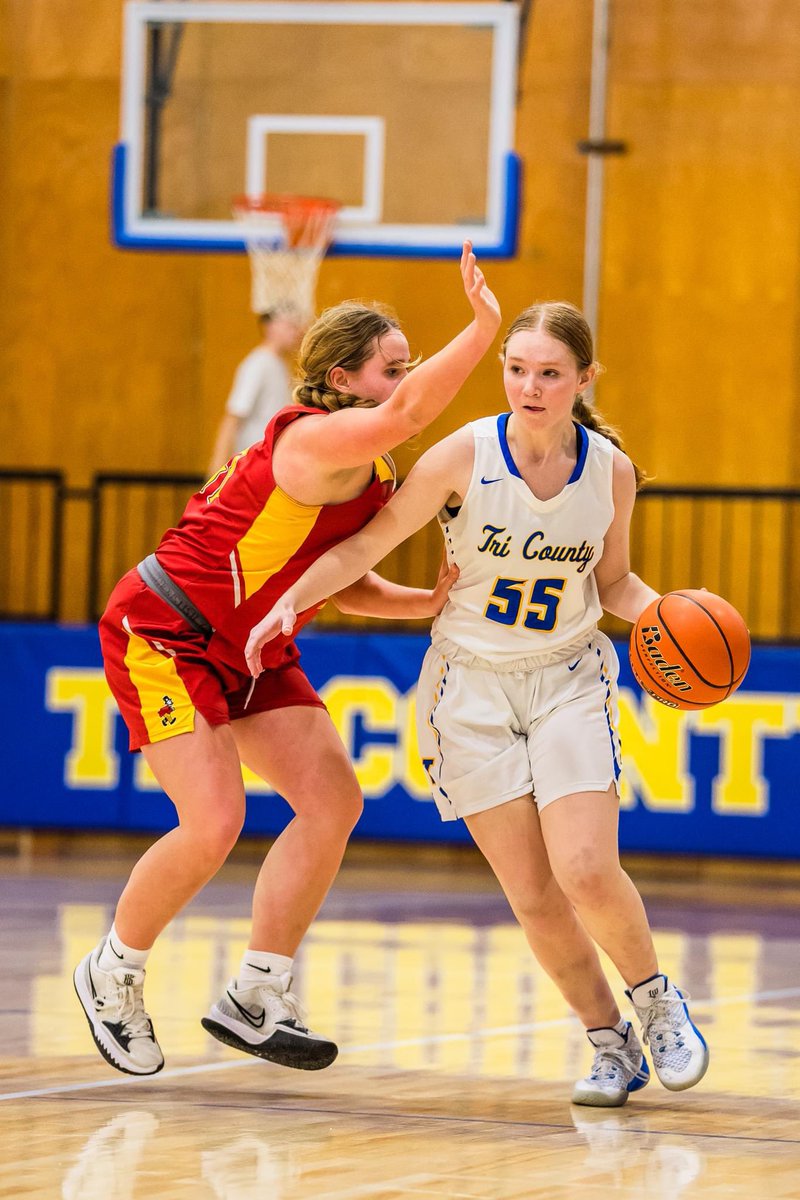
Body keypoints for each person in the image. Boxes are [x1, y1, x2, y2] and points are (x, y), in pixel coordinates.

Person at [245, 301, 710, 1108]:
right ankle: (610, 1044)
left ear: (583, 379)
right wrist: (293, 598)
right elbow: (366, 544)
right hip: (468, 690)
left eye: (550, 372)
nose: (530, 385)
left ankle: (657, 1001)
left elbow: (614, 584)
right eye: (517, 368)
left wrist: (674, 618)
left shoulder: (610, 471)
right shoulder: (465, 456)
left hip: (566, 676)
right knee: (532, 894)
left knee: (586, 870)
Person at [73, 242, 501, 1077]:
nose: (403, 381)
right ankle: (113, 968)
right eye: (390, 368)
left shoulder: (364, 467)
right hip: (166, 627)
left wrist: (422, 602)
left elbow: (336, 581)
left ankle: (258, 992)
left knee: (333, 799)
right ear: (341, 380)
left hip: (252, 645)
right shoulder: (310, 441)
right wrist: (483, 326)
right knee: (214, 821)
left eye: (406, 366)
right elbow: (412, 413)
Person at [207, 310, 305, 476]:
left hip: (271, 465)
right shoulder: (258, 364)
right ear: (270, 326)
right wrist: (216, 469)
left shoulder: (280, 365)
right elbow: (233, 417)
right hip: (253, 466)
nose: (296, 330)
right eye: (290, 325)